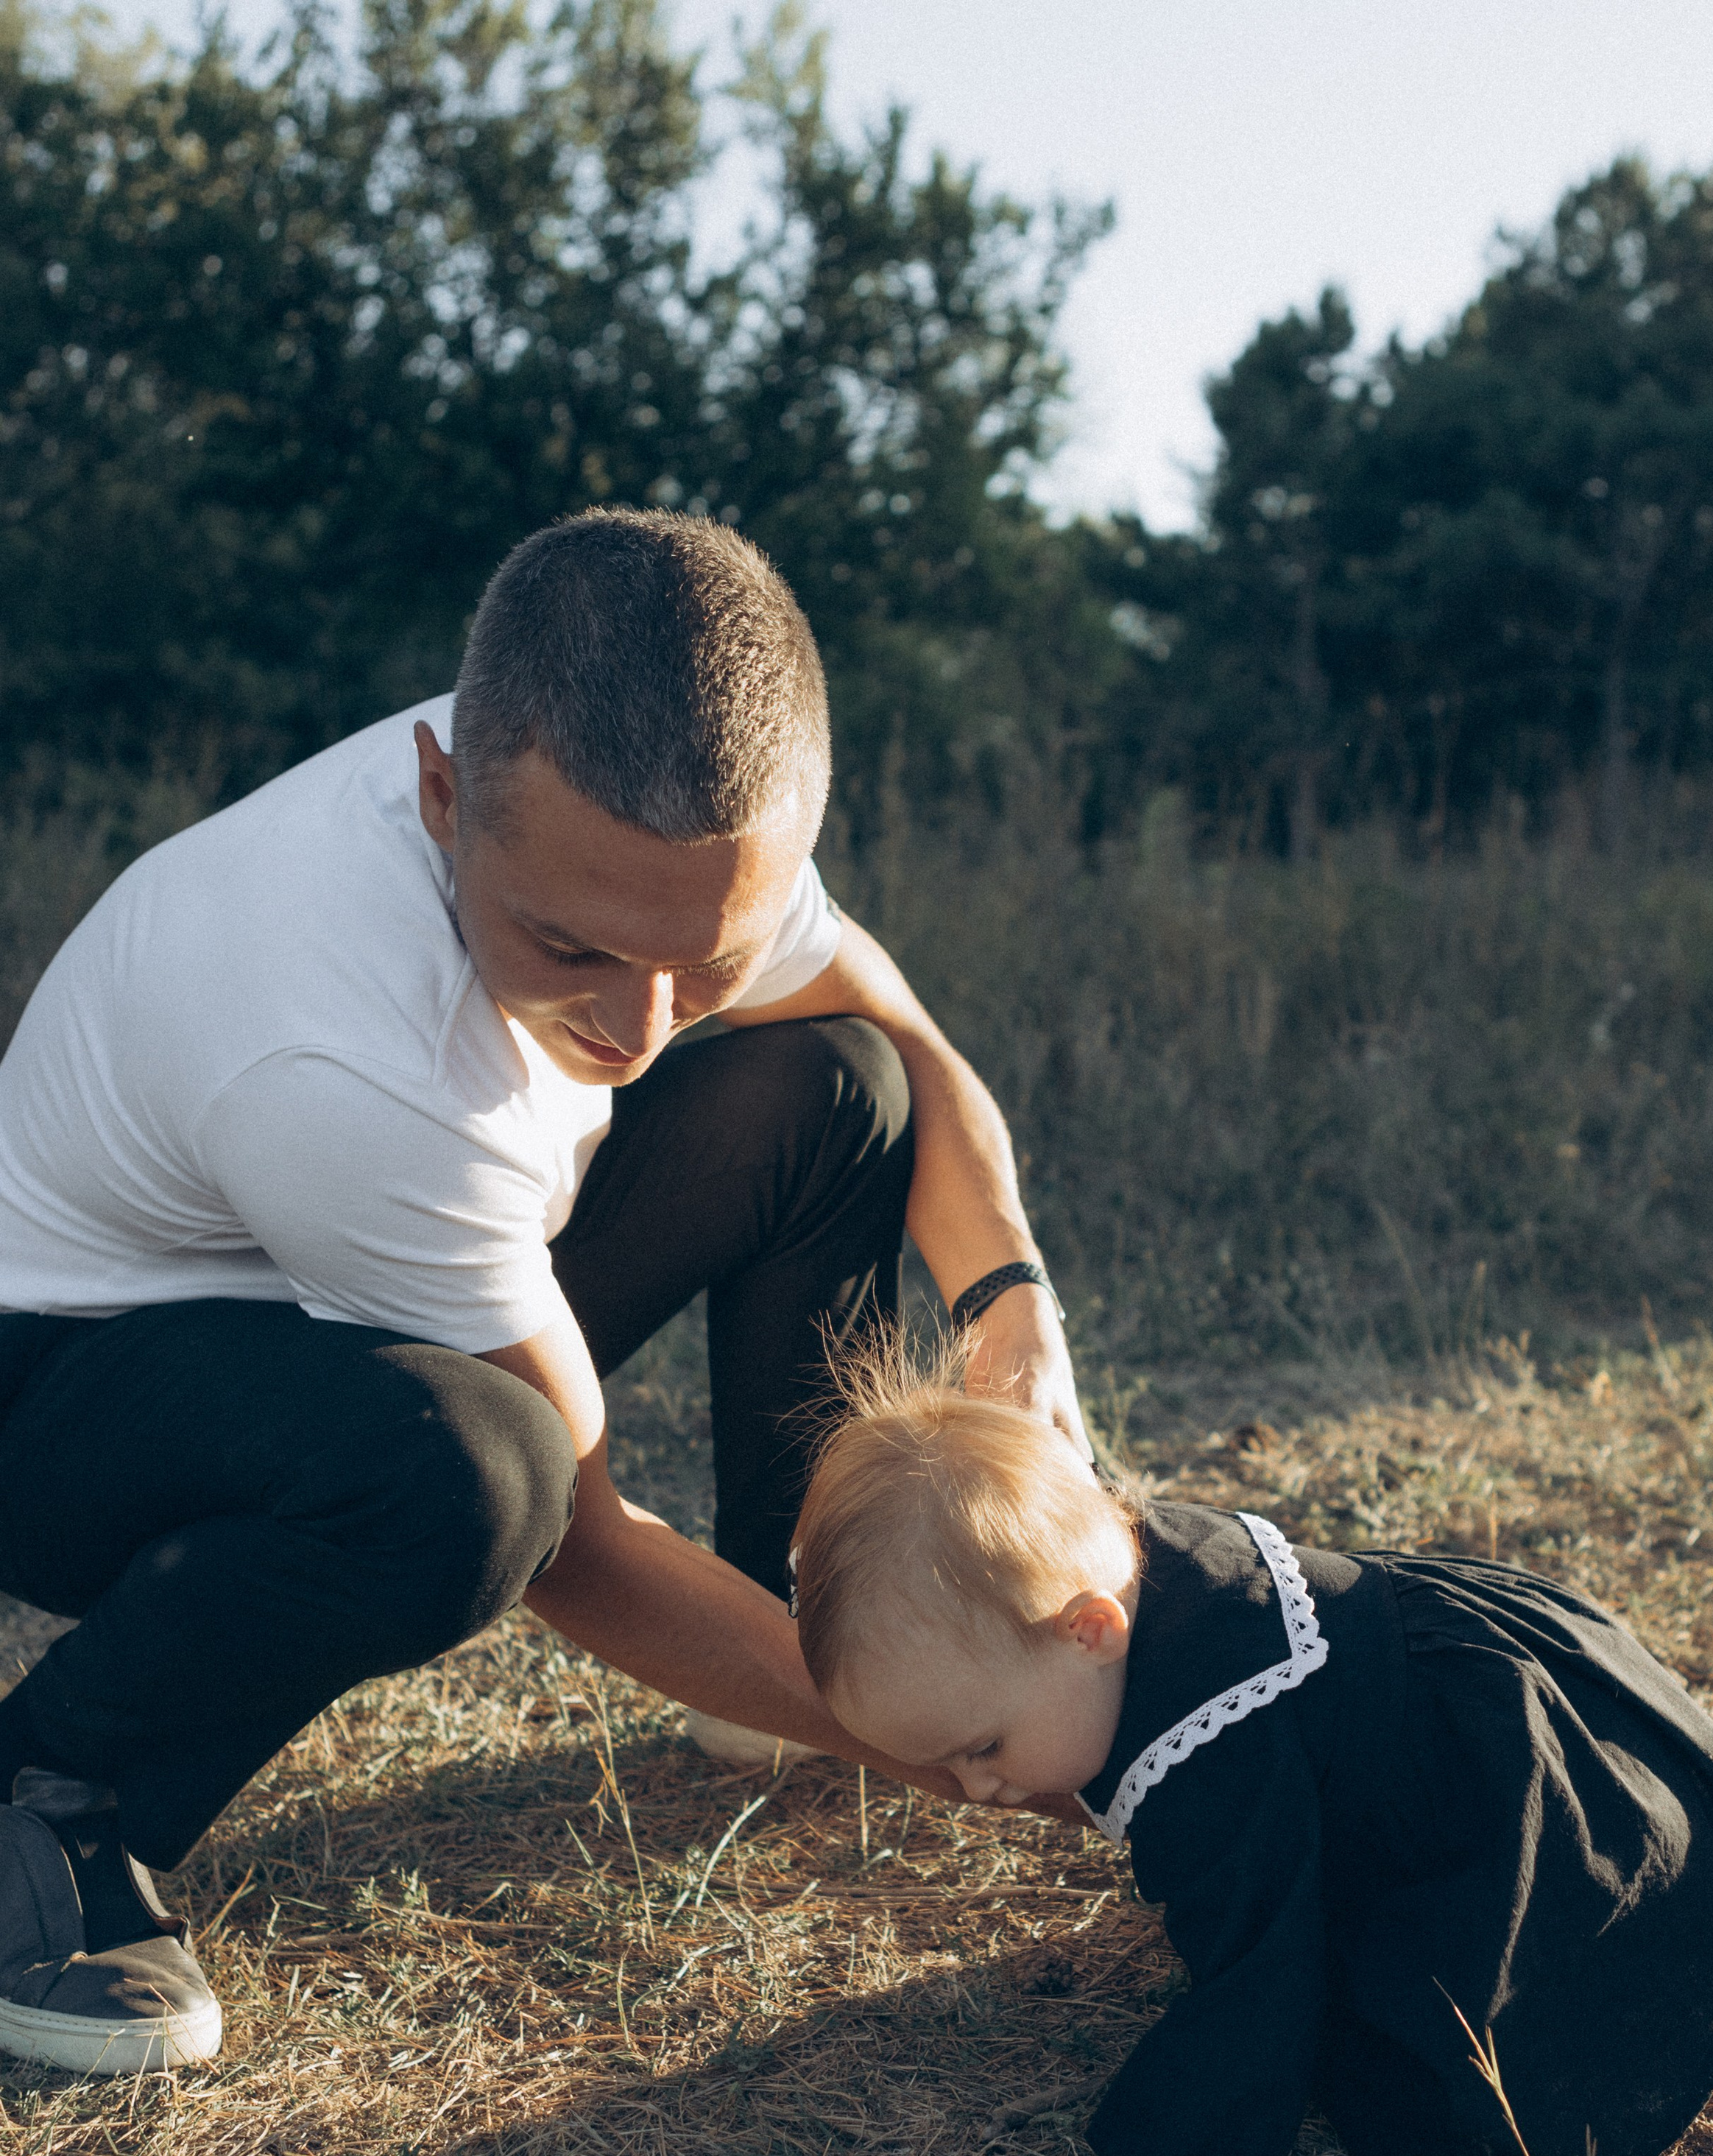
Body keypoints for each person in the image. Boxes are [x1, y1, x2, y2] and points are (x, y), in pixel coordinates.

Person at [0, 510, 1087, 2076]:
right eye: (568, 945)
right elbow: (580, 1550)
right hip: (65, 1385)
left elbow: (909, 1041)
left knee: (834, 1088)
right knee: (476, 1477)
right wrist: (976, 1743)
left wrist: (1007, 1297)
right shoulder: (339, 1059)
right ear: (444, 798)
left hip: (323, 1281)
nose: (642, 1027)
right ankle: (51, 1805)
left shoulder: (661, 839)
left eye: (700, 963)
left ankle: (813, 1611)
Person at [789, 1356, 1713, 2156]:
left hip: (1485, 1787)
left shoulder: (1212, 1757)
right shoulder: (1133, 1572)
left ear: (1087, 1628)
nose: (975, 1792)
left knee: (1420, 2037)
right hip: (1436, 1694)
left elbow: (1263, 1966)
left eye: (982, 1747)